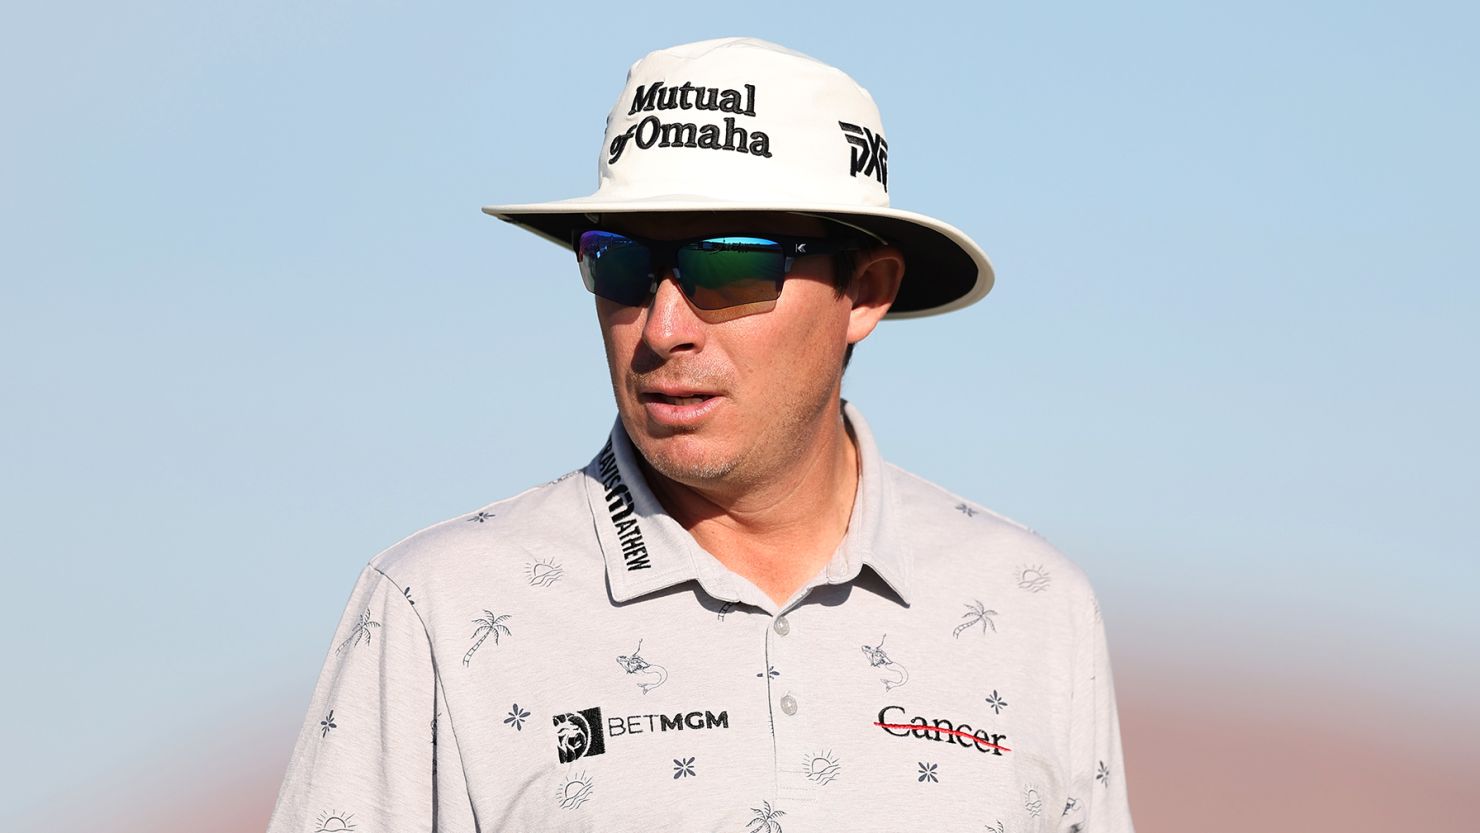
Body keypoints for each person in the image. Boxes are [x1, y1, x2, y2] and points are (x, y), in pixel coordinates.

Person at [265, 36, 1136, 833]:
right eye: (621, 262)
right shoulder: (437, 609)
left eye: (728, 264)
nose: (663, 327)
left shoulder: (1031, 605)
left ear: (865, 290)